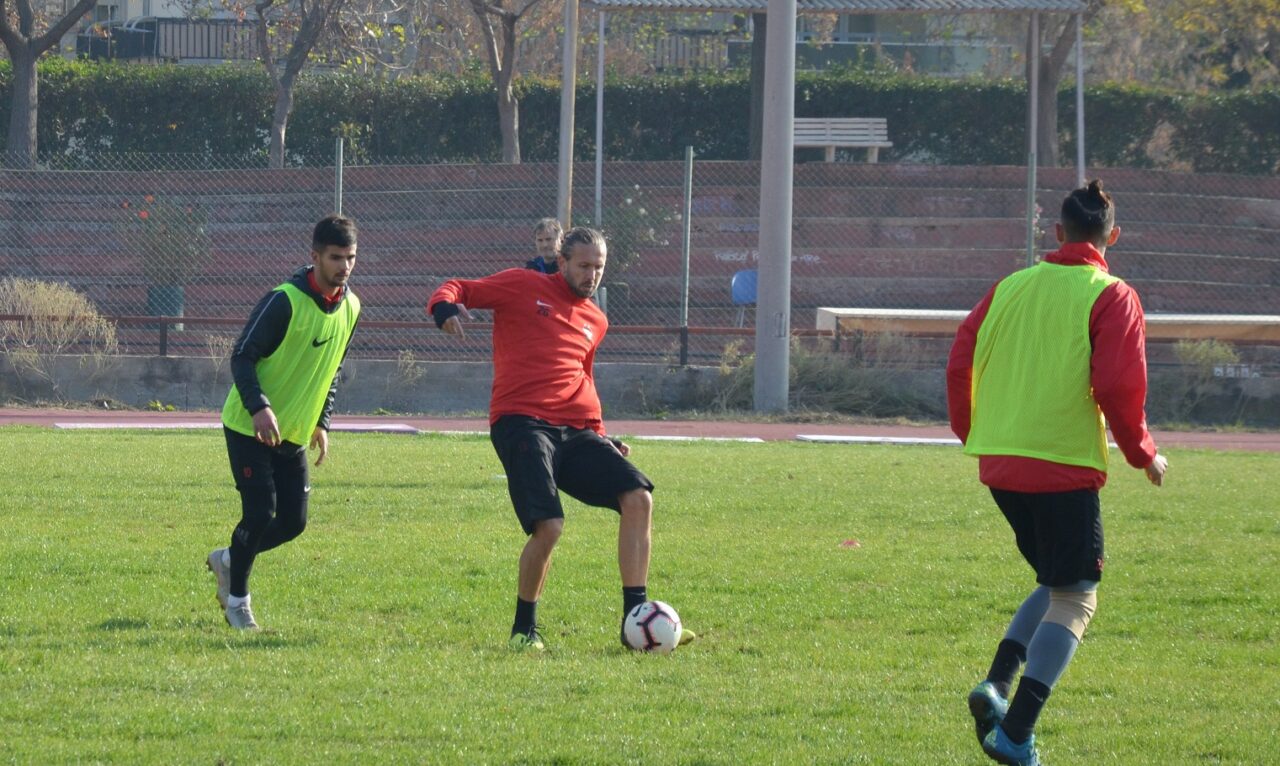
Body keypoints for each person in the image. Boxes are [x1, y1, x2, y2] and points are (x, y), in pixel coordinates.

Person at [947, 180, 1168, 766]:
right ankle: (1016, 734)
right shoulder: (1112, 295)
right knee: (1076, 598)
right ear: (1113, 237)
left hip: (1000, 462)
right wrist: (1143, 453)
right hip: (1062, 465)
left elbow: (960, 360)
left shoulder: (1010, 286)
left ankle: (996, 684)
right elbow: (1118, 386)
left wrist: (975, 433)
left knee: (1054, 582)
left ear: (1057, 232)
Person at [427, 226, 694, 652]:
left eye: (599, 267)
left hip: (576, 431)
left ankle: (635, 619)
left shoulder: (597, 320)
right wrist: (443, 308)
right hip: (521, 423)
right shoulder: (523, 285)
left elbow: (583, 376)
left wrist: (601, 436)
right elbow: (458, 287)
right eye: (584, 265)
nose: (592, 275)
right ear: (561, 262)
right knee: (549, 527)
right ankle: (524, 631)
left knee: (639, 498)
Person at [206, 214, 361, 630]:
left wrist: (322, 422)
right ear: (315, 256)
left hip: (292, 432)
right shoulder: (284, 301)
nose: (344, 266)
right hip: (248, 426)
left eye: (350, 257)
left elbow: (333, 369)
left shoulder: (352, 307)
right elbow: (242, 355)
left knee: (293, 523)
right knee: (259, 514)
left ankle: (229, 558)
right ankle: (238, 602)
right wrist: (258, 406)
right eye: (336, 257)